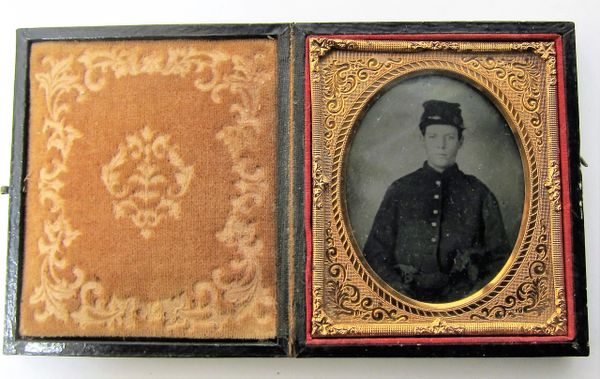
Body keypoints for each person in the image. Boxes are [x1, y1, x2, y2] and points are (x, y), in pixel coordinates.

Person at [363, 100, 510, 303]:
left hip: (463, 300)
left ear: (461, 141)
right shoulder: (399, 190)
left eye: (449, 137)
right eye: (433, 136)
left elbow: (500, 259)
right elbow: (374, 255)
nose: (441, 145)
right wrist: (400, 293)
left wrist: (470, 296)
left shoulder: (478, 193)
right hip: (404, 299)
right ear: (422, 139)